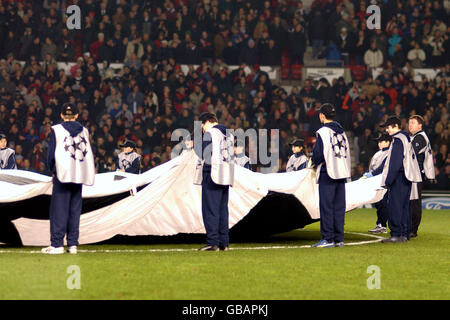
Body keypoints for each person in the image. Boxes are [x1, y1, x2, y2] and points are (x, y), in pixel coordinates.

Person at [42, 103, 95, 254]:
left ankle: (57, 244)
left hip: (63, 174)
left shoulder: (56, 130)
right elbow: (90, 153)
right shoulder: (84, 131)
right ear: (77, 115)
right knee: (74, 210)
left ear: (61, 115)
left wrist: (53, 170)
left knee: (59, 209)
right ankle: (72, 244)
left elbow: (51, 155)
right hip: (79, 174)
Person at [311, 104, 351, 248]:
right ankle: (339, 238)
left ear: (322, 115)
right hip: (342, 172)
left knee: (326, 207)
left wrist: (312, 162)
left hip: (328, 172)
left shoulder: (323, 132)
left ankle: (327, 238)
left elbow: (318, 155)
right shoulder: (342, 132)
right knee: (339, 207)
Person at [194, 112, 234, 251]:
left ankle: (213, 242)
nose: (202, 129)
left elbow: (201, 153)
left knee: (210, 210)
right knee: (223, 210)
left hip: (212, 172)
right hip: (226, 174)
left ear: (206, 122)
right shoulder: (229, 134)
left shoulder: (211, 133)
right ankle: (224, 243)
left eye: (202, 126)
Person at [380, 116, 422, 243]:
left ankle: (396, 235)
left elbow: (395, 163)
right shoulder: (406, 137)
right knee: (404, 207)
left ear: (395, 126)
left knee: (395, 207)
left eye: (388, 127)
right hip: (407, 177)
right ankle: (404, 234)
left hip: (399, 177)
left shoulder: (398, 139)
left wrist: (388, 180)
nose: (387, 130)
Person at [408, 115, 435, 238]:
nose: (410, 125)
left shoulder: (420, 138)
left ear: (420, 125)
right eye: (409, 123)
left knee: (414, 202)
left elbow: (410, 153)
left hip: (416, 175)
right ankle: (410, 227)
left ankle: (413, 229)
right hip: (414, 174)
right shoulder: (415, 137)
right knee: (412, 201)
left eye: (413, 123)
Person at [363, 132, 392, 234]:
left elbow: (383, 168)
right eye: (378, 141)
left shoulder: (390, 153)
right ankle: (379, 224)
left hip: (383, 182)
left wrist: (372, 174)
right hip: (375, 181)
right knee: (378, 204)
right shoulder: (378, 153)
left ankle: (382, 225)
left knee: (383, 204)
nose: (379, 143)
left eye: (381, 141)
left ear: (388, 142)